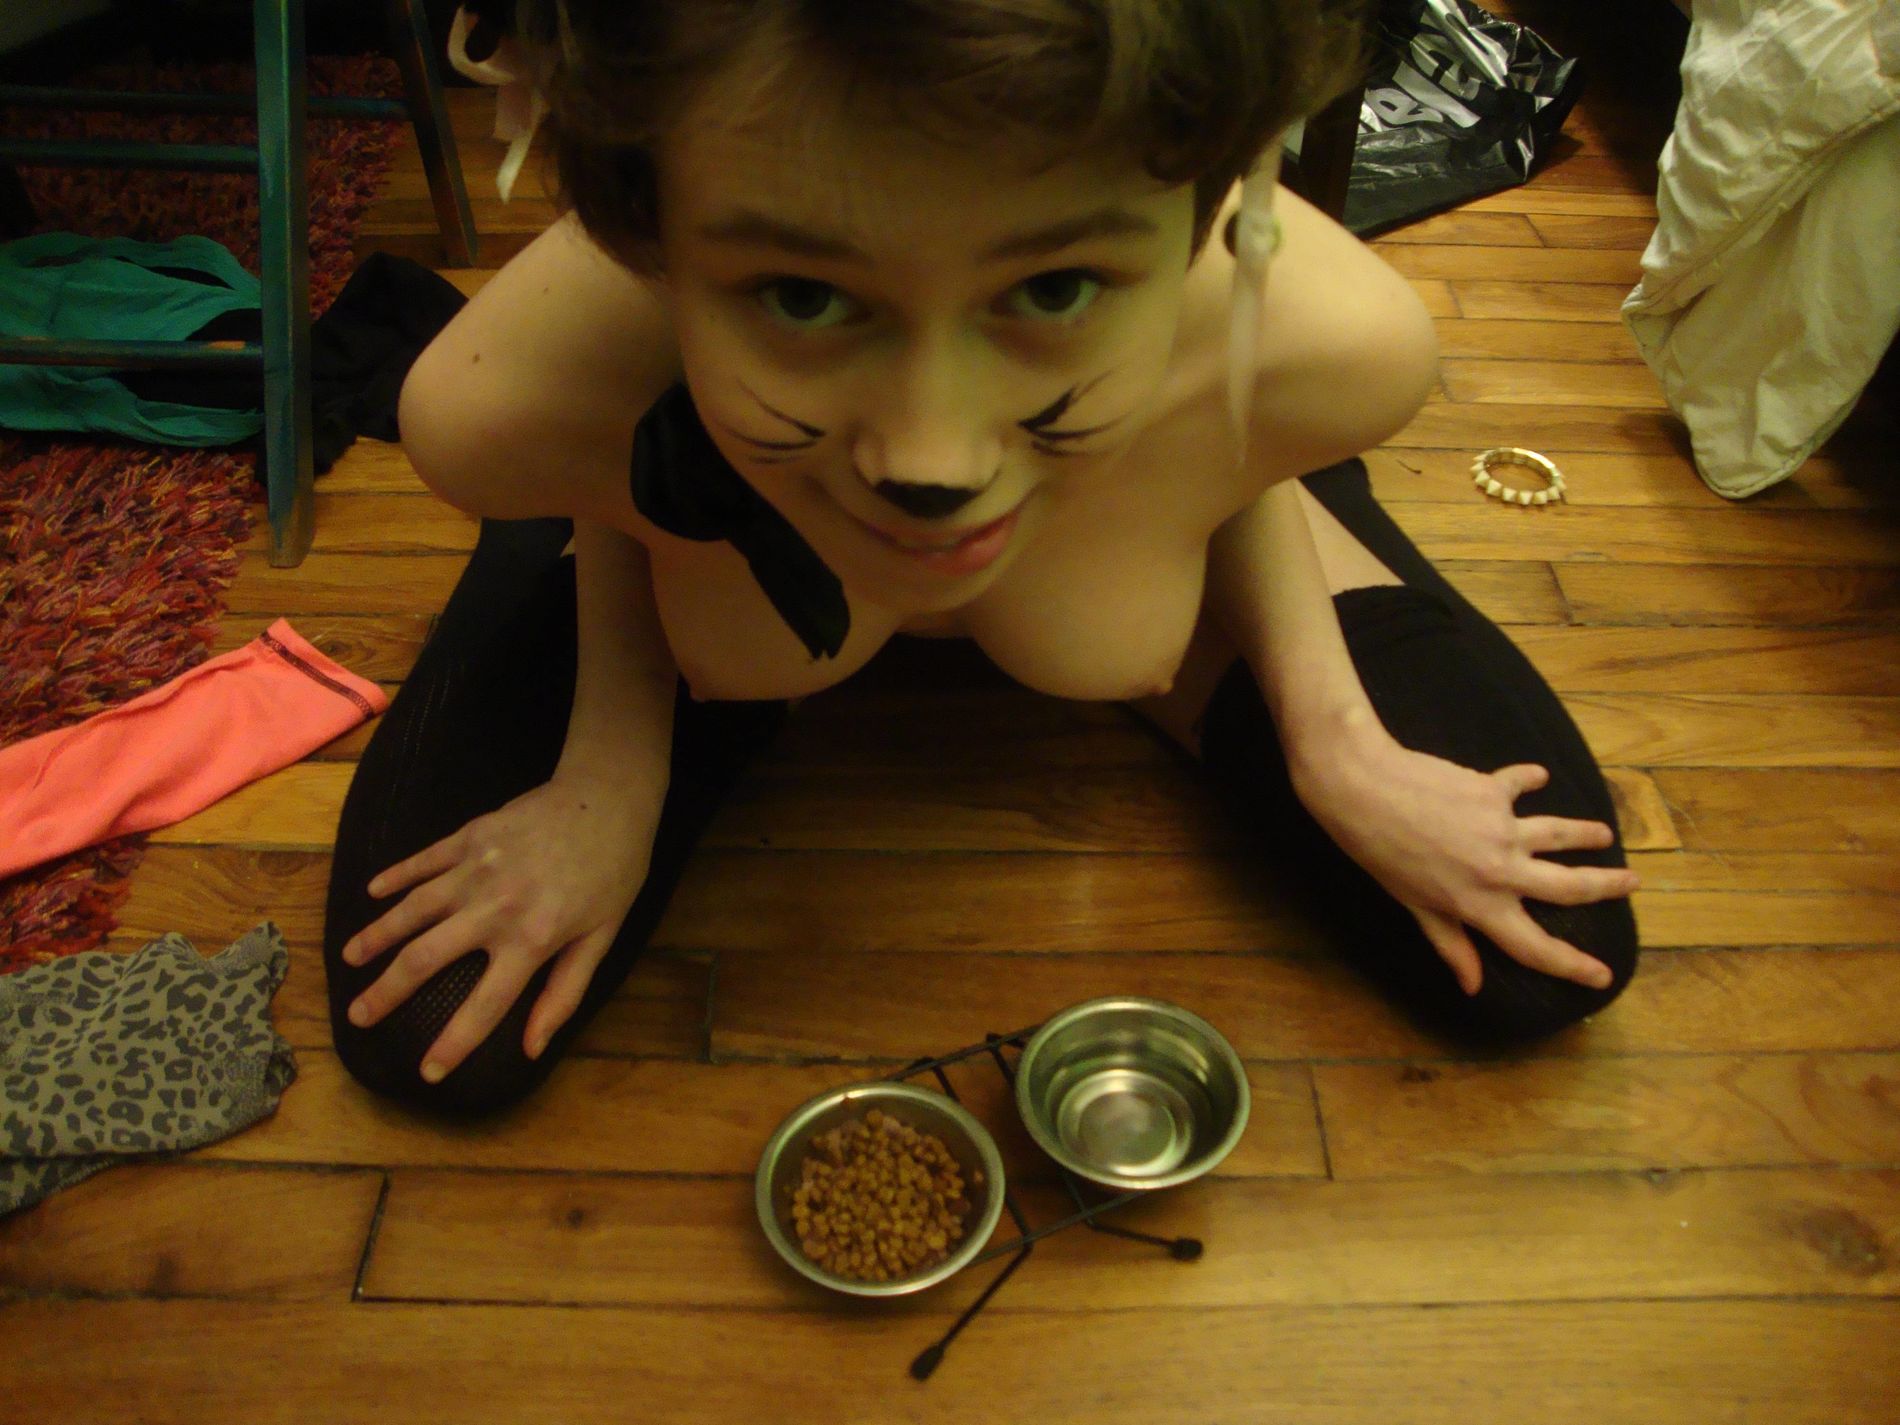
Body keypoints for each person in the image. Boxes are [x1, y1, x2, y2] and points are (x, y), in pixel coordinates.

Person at [322, 0, 1641, 1118]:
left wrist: (1338, 742)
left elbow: (1245, 441)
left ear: (1215, 220)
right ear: (648, 245)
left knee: (1545, 956)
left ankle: (1112, 574)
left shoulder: (1324, 340)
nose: (931, 455)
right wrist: (610, 771)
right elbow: (593, 460)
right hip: (714, 500)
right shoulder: (517, 396)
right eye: (803, 295)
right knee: (437, 1032)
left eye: (1054, 287)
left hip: (1136, 452)